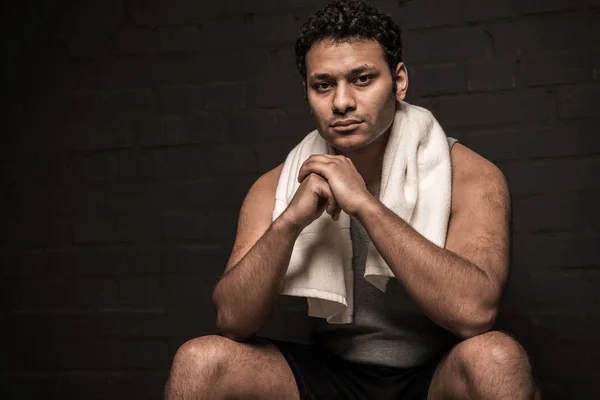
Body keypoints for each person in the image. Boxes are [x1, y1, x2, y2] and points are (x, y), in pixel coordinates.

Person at [164, 1, 541, 399]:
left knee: (498, 358)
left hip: (433, 377)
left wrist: (365, 204)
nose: (341, 102)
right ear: (308, 92)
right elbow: (232, 320)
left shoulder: (469, 175)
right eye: (323, 85)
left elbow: (475, 314)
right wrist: (290, 221)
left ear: (398, 82)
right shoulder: (276, 185)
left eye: (362, 79)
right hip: (331, 376)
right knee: (199, 361)